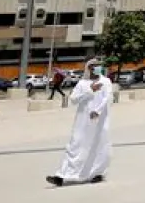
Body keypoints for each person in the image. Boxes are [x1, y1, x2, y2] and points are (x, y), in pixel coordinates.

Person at [47, 59, 111, 187]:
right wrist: (90, 90)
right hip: (82, 121)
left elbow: (107, 98)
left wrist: (97, 111)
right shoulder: (82, 83)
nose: (96, 68)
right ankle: (61, 175)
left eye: (98, 65)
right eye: (93, 66)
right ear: (88, 68)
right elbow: (74, 99)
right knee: (74, 145)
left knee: (98, 146)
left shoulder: (105, 81)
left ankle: (97, 173)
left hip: (100, 121)